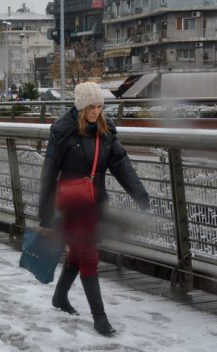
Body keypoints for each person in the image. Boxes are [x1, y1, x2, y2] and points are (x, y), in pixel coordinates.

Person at [37, 81, 149, 336]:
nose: (96, 111)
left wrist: (139, 194)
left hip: (95, 199)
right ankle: (100, 318)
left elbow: (121, 164)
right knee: (89, 256)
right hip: (71, 202)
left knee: (78, 254)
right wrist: (45, 215)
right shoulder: (62, 131)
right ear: (80, 106)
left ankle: (59, 297)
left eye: (99, 106)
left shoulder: (105, 130)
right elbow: (48, 173)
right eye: (91, 106)